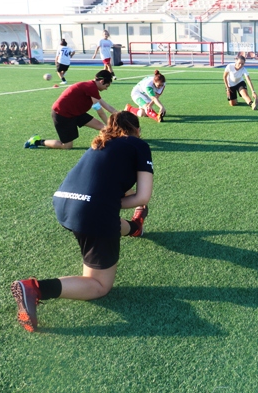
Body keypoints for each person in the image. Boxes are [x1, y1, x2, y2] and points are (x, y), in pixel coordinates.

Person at [11, 111, 153, 333]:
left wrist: (105, 203)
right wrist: (109, 203)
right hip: (90, 212)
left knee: (104, 215)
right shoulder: (138, 144)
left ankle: (135, 228)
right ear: (136, 129)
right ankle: (36, 288)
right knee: (99, 286)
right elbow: (142, 197)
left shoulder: (100, 143)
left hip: (62, 204)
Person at [24, 70, 118, 150]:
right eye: (106, 86)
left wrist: (123, 116)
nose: (106, 89)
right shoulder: (91, 87)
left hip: (76, 113)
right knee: (66, 146)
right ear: (101, 81)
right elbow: (100, 111)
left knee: (103, 127)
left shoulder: (92, 87)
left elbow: (108, 107)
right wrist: (110, 126)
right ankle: (36, 141)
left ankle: (110, 144)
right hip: (62, 114)